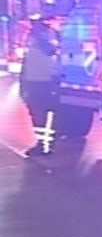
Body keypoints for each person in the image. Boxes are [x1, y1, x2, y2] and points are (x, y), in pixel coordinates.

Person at [19, 18, 61, 157]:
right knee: (38, 115)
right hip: (36, 82)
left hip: (43, 83)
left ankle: (45, 145)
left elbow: (49, 53)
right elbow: (27, 64)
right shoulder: (37, 42)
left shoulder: (45, 41)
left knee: (43, 115)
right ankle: (43, 144)